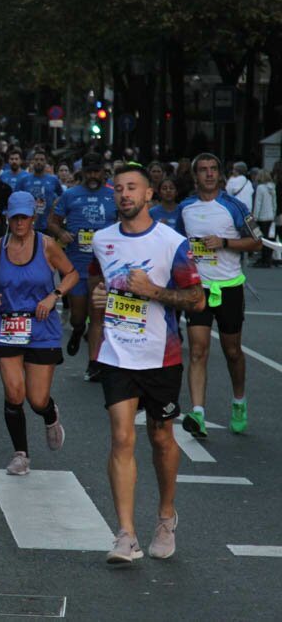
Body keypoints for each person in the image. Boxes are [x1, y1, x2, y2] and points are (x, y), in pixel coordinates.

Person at [89, 164, 205, 563]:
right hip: (117, 353)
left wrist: (153, 290)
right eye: (118, 188)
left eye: (132, 188)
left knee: (160, 438)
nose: (124, 194)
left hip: (162, 355)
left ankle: (166, 515)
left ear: (149, 195)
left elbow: (197, 299)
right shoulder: (103, 239)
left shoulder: (171, 242)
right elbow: (97, 281)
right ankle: (126, 535)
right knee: (122, 437)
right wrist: (100, 298)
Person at [0, 192, 76, 475]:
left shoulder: (47, 246)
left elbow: (71, 274)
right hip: (7, 326)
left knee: (37, 399)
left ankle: (50, 414)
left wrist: (53, 296)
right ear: (8, 217)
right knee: (14, 393)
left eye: (25, 217)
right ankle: (21, 454)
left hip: (41, 327)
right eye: (15, 217)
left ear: (33, 217)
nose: (19, 223)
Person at [177, 153, 263, 438]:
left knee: (232, 352)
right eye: (203, 170)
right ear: (195, 176)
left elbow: (257, 242)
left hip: (229, 288)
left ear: (220, 174)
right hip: (198, 289)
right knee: (198, 351)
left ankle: (239, 401)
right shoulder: (185, 207)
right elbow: (176, 244)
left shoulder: (234, 206)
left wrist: (224, 242)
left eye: (214, 169)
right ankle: (198, 413)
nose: (209, 174)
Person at [47, 153, 117, 368]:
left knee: (97, 316)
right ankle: (78, 331)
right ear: (83, 172)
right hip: (77, 264)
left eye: (97, 171)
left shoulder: (113, 195)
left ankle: (94, 363)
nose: (93, 176)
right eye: (89, 172)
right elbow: (52, 222)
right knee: (78, 317)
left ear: (104, 172)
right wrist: (61, 233)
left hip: (103, 266)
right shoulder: (71, 195)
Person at [17, 149, 63, 234]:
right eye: (36, 160)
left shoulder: (53, 180)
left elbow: (62, 197)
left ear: (46, 162)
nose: (39, 162)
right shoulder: (23, 180)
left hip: (48, 225)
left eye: (42, 160)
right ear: (32, 162)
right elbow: (16, 199)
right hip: (28, 224)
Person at [252, 169, 277, 268]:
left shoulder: (260, 188)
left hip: (262, 217)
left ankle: (263, 260)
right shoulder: (272, 187)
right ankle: (268, 259)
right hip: (270, 216)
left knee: (262, 239)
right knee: (270, 239)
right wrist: (274, 213)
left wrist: (255, 216)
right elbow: (274, 203)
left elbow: (258, 203)